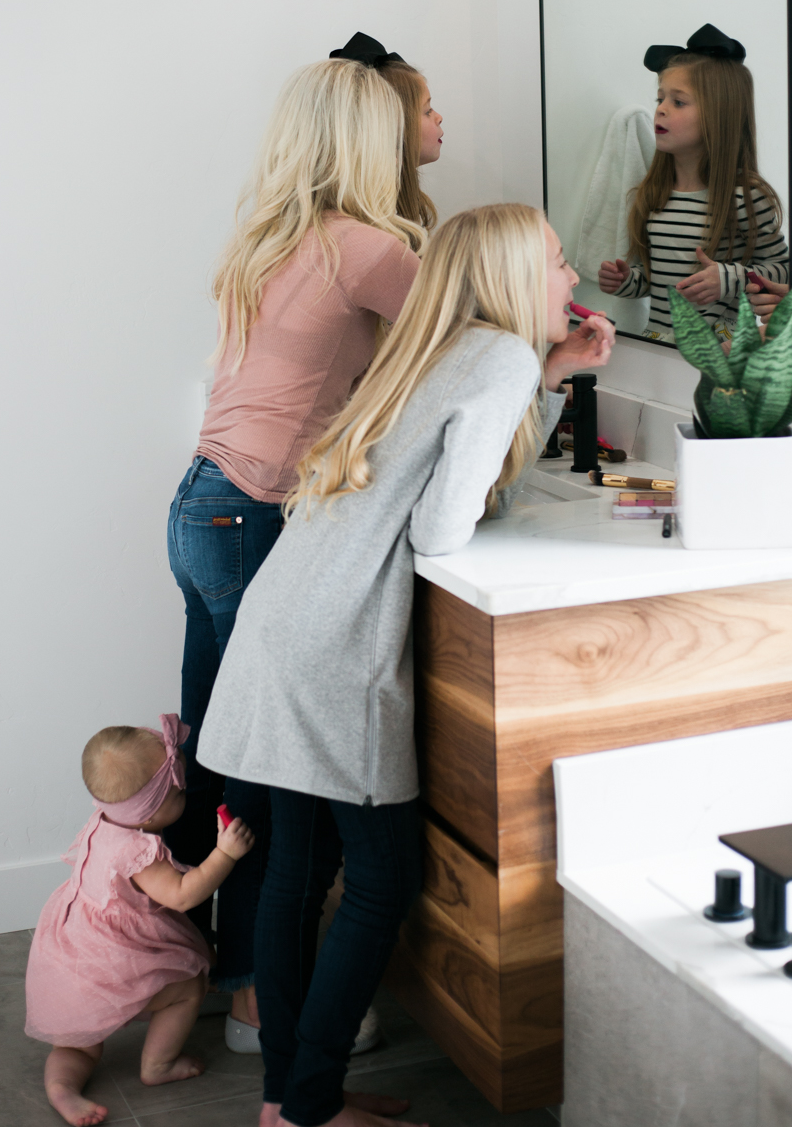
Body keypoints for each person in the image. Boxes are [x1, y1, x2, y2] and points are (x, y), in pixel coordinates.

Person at [197, 203, 614, 1127]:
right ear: (513, 274)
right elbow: (444, 528)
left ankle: (288, 1101)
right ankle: (306, 1105)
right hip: (333, 643)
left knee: (299, 869)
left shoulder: (443, 347)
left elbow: (443, 486)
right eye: (556, 261)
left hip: (287, 612)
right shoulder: (497, 359)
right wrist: (535, 378)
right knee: (381, 876)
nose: (573, 277)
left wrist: (548, 378)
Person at [165, 55, 420, 1047]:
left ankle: (194, 974)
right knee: (267, 767)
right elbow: (469, 341)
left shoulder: (268, 238)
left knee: (216, 752)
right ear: (366, 141)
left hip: (202, 505)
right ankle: (255, 1004)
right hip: (256, 515)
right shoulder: (364, 247)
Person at [25, 714, 254, 1127]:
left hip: (74, 956)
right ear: (150, 813)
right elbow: (183, 895)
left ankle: (62, 1089)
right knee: (188, 986)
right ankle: (158, 1065)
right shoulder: (138, 853)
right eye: (179, 791)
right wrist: (225, 854)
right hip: (114, 962)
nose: (185, 793)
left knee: (77, 1046)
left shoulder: (102, 820)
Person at [598, 25, 788, 342]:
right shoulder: (654, 194)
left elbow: (783, 269)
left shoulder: (745, 196)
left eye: (678, 102)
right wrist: (627, 281)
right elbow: (657, 280)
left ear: (718, 114)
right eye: (660, 98)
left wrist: (729, 278)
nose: (660, 108)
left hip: (719, 349)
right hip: (659, 343)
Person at [329, 30, 443, 240]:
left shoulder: (389, 215)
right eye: (427, 111)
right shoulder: (372, 241)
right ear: (391, 128)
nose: (439, 117)